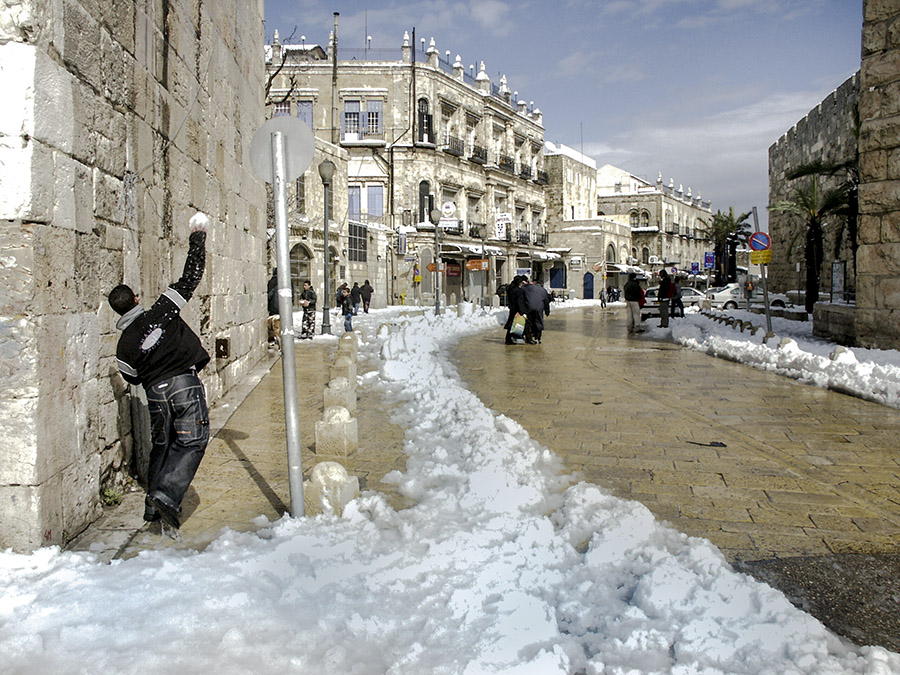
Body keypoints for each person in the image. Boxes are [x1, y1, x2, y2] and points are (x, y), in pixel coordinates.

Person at [108, 212, 211, 530]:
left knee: (162, 446)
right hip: (183, 383)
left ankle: (152, 508)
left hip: (155, 392)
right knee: (193, 440)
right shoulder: (162, 309)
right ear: (136, 299)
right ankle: (166, 495)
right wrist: (197, 236)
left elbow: (130, 377)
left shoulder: (123, 346)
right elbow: (191, 277)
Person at [522, 279, 551, 344]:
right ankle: (538, 338)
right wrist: (547, 311)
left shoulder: (529, 287)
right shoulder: (543, 290)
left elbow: (523, 290)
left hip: (529, 307)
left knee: (528, 322)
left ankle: (528, 337)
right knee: (538, 322)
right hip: (539, 308)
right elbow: (546, 302)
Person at [503, 276, 526, 344]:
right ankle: (509, 339)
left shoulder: (510, 289)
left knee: (511, 323)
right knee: (515, 324)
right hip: (516, 310)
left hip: (512, 308)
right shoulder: (519, 291)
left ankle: (509, 338)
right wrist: (521, 311)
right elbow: (520, 302)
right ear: (519, 283)